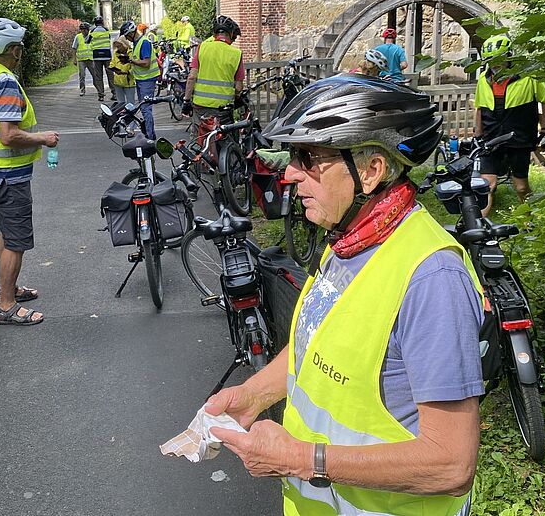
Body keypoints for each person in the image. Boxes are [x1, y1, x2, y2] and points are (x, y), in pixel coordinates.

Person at [207, 75, 484, 516]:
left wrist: (302, 459)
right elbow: (316, 346)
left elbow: (451, 464)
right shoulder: (349, 239)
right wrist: (255, 393)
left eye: (309, 158)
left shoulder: (432, 279)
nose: (289, 174)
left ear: (371, 170)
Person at [0, 18, 59, 325]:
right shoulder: (4, 81)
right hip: (6, 174)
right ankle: (7, 305)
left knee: (7, 231)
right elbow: (8, 135)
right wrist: (43, 138)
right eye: (19, 48)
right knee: (16, 240)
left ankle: (7, 288)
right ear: (14, 51)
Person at [474, 34, 545, 216]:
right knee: (487, 185)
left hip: (519, 138)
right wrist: (477, 135)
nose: (495, 64)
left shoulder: (529, 77)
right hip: (491, 138)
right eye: (491, 60)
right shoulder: (483, 80)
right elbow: (479, 108)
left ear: (509, 57)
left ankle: (528, 221)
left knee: (521, 187)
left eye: (500, 59)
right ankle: (480, 227)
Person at [180, 15, 244, 121]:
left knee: (199, 135)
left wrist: (186, 100)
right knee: (224, 136)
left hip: (200, 106)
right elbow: (238, 87)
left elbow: (191, 77)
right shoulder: (236, 54)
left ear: (214, 33)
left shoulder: (202, 47)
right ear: (231, 33)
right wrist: (237, 97)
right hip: (223, 108)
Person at [124, 21, 160, 139]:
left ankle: (150, 136)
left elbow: (146, 63)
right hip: (141, 79)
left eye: (127, 36)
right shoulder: (136, 42)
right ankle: (149, 133)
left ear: (131, 33)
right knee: (144, 106)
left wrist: (131, 61)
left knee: (145, 108)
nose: (127, 39)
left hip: (147, 80)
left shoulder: (144, 42)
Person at [87, 16, 115, 102]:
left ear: (95, 23)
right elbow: (109, 38)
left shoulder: (92, 31)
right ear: (102, 22)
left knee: (99, 76)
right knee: (110, 75)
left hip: (97, 56)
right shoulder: (106, 30)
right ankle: (115, 93)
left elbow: (87, 41)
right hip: (107, 55)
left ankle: (101, 95)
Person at [110, 24, 137, 108]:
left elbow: (134, 67)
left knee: (130, 104)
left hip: (128, 82)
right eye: (116, 46)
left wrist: (127, 72)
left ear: (124, 45)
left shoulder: (131, 53)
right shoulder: (116, 53)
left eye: (119, 46)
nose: (118, 48)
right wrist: (113, 69)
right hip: (118, 82)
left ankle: (131, 120)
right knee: (120, 104)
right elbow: (112, 64)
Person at [74, 21, 100, 97]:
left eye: (85, 29)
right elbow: (74, 48)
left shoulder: (91, 36)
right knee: (82, 76)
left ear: (88, 30)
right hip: (81, 60)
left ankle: (99, 89)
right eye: (82, 29)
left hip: (91, 59)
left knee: (95, 75)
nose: (84, 31)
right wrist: (74, 59)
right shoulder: (78, 37)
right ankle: (82, 90)